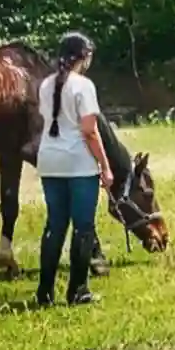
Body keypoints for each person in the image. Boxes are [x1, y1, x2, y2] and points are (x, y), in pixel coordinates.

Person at [35, 31, 114, 306]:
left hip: (49, 160)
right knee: (82, 226)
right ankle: (78, 290)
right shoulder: (84, 86)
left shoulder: (45, 85)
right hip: (78, 164)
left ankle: (44, 291)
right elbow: (90, 132)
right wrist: (105, 166)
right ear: (85, 56)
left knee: (54, 225)